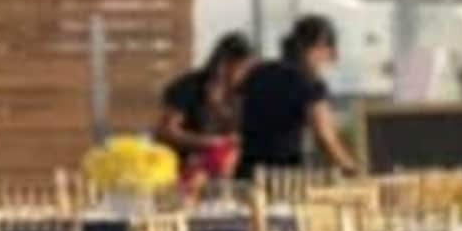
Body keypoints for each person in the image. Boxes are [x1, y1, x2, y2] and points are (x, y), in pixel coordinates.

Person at [238, 16, 359, 175]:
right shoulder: (309, 83)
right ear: (318, 47)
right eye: (327, 55)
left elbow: (235, 117)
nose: (325, 64)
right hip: (283, 176)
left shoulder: (258, 73)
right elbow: (325, 136)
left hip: (247, 171)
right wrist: (351, 168)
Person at [153, 32, 253, 183]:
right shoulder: (188, 87)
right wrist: (210, 142)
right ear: (223, 63)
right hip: (183, 170)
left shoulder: (243, 91)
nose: (246, 74)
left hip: (228, 171)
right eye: (242, 68)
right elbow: (166, 131)